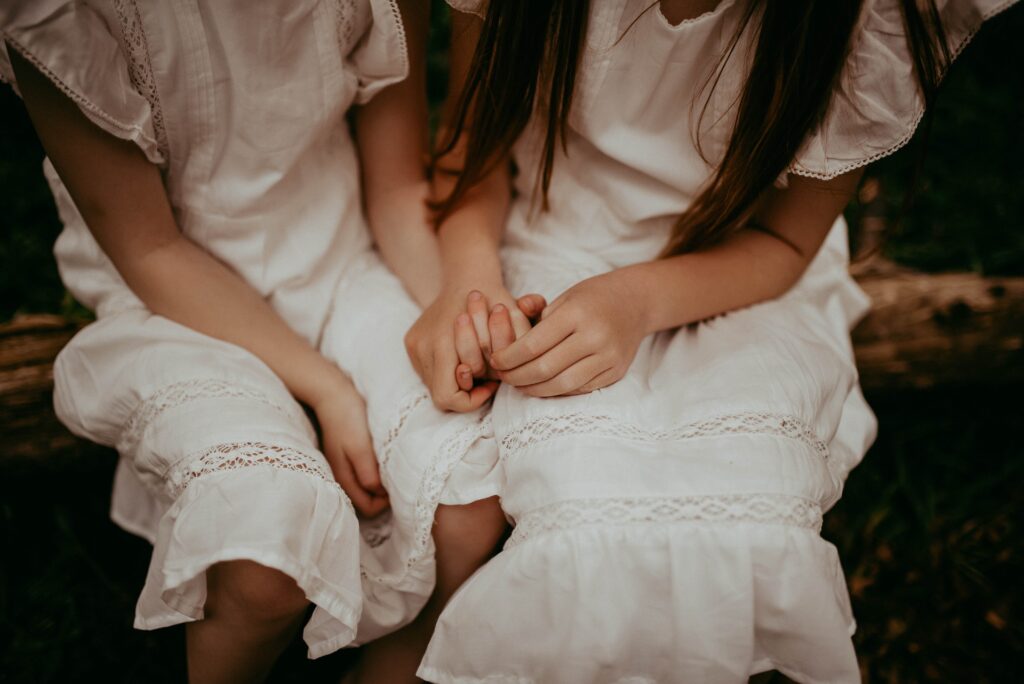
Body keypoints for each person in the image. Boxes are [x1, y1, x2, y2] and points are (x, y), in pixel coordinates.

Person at [403, 1, 1017, 682]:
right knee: (581, 488)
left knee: (743, 498)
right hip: (552, 235)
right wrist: (470, 286)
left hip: (738, 276)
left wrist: (635, 301)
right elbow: (471, 160)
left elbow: (784, 243)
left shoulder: (862, 15)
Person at [1, 1, 507, 681]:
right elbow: (151, 250)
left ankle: (389, 666)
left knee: (466, 503)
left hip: (342, 261)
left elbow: (393, 187)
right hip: (180, 309)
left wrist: (448, 305)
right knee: (265, 567)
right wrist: (329, 389)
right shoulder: (65, 12)